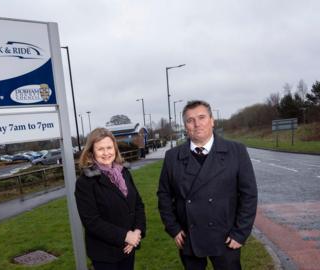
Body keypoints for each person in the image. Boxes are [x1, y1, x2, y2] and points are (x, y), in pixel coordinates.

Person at [157, 100, 257, 270]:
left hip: (226, 237)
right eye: (190, 120)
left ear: (212, 120)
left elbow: (249, 195)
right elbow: (164, 195)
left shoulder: (236, 151)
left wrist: (241, 233)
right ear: (185, 125)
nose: (197, 124)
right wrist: (173, 228)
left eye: (202, 117)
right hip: (190, 237)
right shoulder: (172, 157)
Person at [75, 127, 146, 270]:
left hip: (128, 247)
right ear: (91, 152)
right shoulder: (85, 182)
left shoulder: (124, 172)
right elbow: (92, 222)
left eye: (109, 147)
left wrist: (137, 232)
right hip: (105, 254)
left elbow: (138, 204)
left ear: (115, 148)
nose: (106, 153)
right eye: (100, 149)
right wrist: (126, 236)